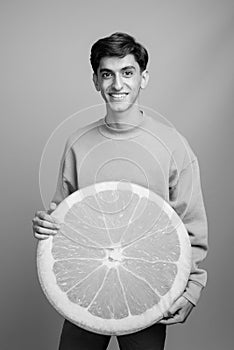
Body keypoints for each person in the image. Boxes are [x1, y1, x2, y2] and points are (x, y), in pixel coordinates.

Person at [32, 32, 208, 350]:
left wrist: (193, 288)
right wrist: (46, 225)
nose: (117, 84)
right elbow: (63, 218)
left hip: (148, 289)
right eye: (107, 74)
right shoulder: (77, 142)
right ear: (96, 81)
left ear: (144, 78)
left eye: (127, 73)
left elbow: (190, 225)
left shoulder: (172, 144)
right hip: (88, 286)